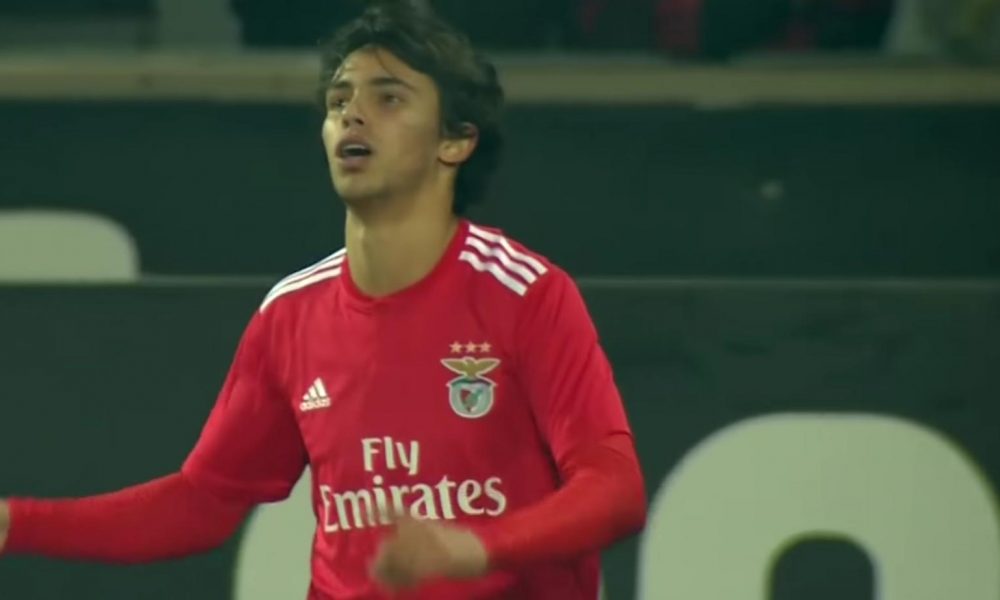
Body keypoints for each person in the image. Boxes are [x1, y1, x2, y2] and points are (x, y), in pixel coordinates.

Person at [0, 2, 647, 598]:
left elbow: (615, 489)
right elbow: (203, 502)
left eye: (388, 98)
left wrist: (476, 548)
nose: (352, 115)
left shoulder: (525, 293)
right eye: (340, 100)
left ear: (454, 141)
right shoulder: (290, 315)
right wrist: (15, 523)